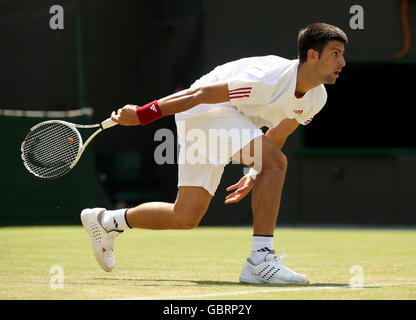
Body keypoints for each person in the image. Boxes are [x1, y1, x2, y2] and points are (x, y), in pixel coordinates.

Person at [81, 22, 347, 285]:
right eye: (335, 53)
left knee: (184, 216)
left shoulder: (316, 98)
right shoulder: (269, 79)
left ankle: (106, 221)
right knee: (276, 162)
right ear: (312, 55)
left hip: (226, 119)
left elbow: (278, 134)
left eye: (342, 54)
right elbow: (199, 94)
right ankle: (260, 261)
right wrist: (142, 114)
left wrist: (256, 172)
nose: (342, 62)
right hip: (208, 110)